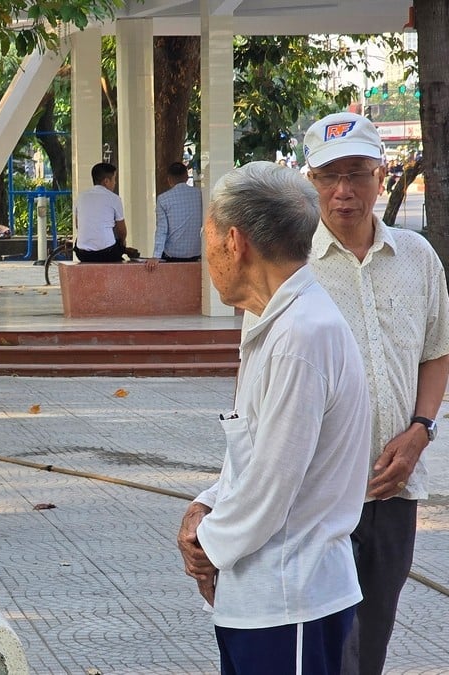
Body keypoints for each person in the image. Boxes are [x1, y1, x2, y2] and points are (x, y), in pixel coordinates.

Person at [176, 161, 372, 674]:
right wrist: (204, 505)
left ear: (234, 242)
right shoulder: (270, 320)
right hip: (259, 601)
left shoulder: (301, 334)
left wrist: (207, 546)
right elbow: (252, 449)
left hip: (294, 602)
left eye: (208, 238)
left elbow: (272, 486)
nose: (206, 257)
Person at [299, 111, 449, 675]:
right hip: (316, 493)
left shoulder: (417, 257)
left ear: (381, 176)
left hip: (393, 490)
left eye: (358, 173)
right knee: (324, 646)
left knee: (371, 644)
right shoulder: (290, 268)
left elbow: (437, 350)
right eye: (330, 175)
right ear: (311, 181)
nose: (344, 192)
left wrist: (421, 430)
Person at [146, 161, 203, 270]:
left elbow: (162, 230)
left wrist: (156, 256)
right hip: (196, 253)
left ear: (169, 179)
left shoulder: (163, 199)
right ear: (186, 177)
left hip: (172, 256)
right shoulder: (199, 195)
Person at [74, 162, 136, 262]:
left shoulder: (80, 197)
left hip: (82, 253)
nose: (115, 183)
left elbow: (78, 225)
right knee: (117, 242)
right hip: (107, 253)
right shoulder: (114, 199)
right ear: (106, 181)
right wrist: (123, 242)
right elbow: (121, 230)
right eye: (114, 179)